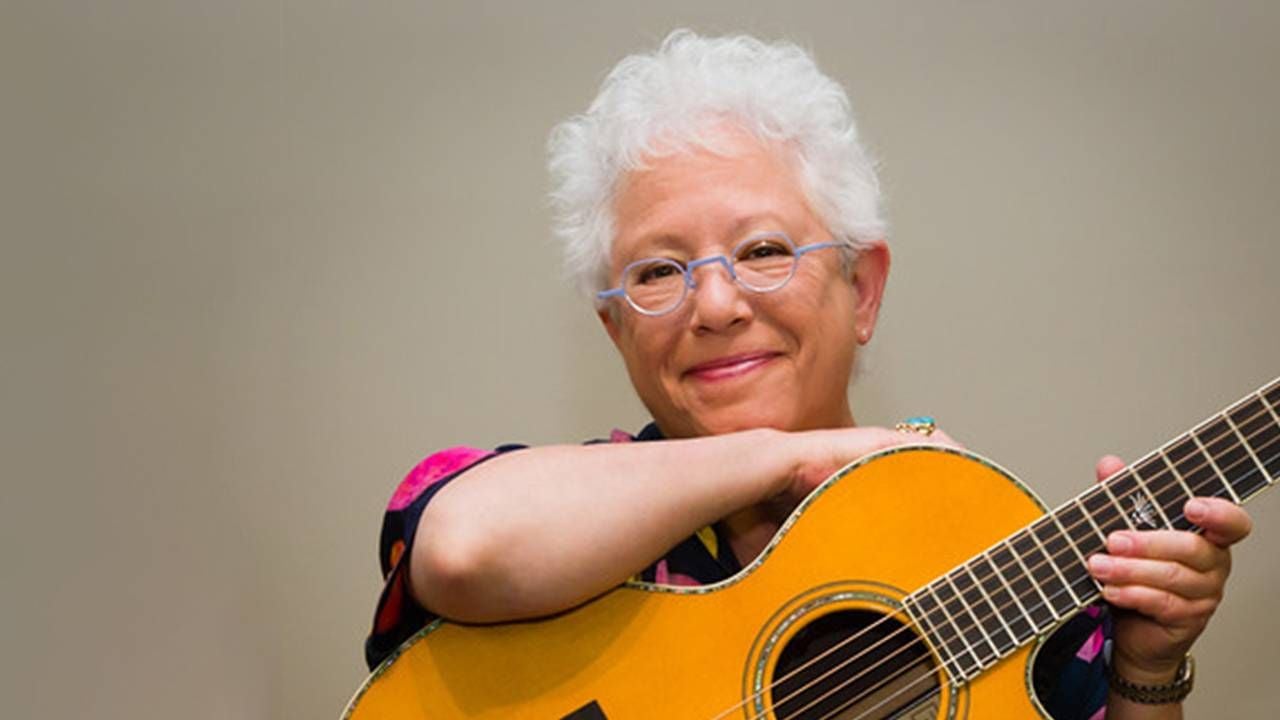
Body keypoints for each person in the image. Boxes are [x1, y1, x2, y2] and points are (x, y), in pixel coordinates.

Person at [365, 30, 1251, 719]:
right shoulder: (531, 506)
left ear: (861, 291)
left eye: (761, 250)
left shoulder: (981, 552)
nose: (712, 306)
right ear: (615, 329)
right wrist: (790, 459)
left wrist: (1146, 671)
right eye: (657, 272)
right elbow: (463, 551)